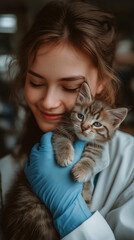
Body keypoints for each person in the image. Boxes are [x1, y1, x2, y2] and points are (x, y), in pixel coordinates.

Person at [1, 0, 134, 239]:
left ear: (101, 82)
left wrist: (72, 216)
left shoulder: (130, 164)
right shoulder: (4, 169)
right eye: (36, 82)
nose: (49, 102)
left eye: (72, 87)